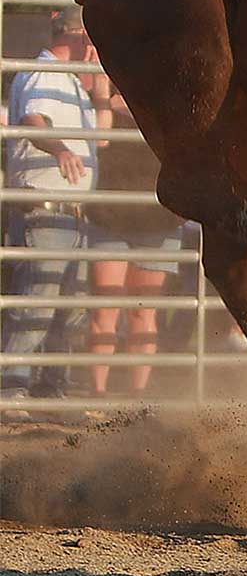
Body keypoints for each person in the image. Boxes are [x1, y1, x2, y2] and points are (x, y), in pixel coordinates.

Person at [1, 6, 112, 410]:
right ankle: (12, 385)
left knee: (69, 306)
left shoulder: (70, 82)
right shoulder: (44, 73)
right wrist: (61, 147)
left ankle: (51, 386)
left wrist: (96, 83)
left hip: (70, 211)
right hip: (47, 209)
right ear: (76, 35)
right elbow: (34, 120)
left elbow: (100, 141)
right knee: (40, 299)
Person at [84, 90, 183, 402]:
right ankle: (97, 393)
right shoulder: (110, 76)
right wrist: (108, 96)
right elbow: (101, 132)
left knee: (144, 311)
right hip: (111, 211)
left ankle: (137, 397)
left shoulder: (169, 78)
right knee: (106, 307)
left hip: (159, 215)